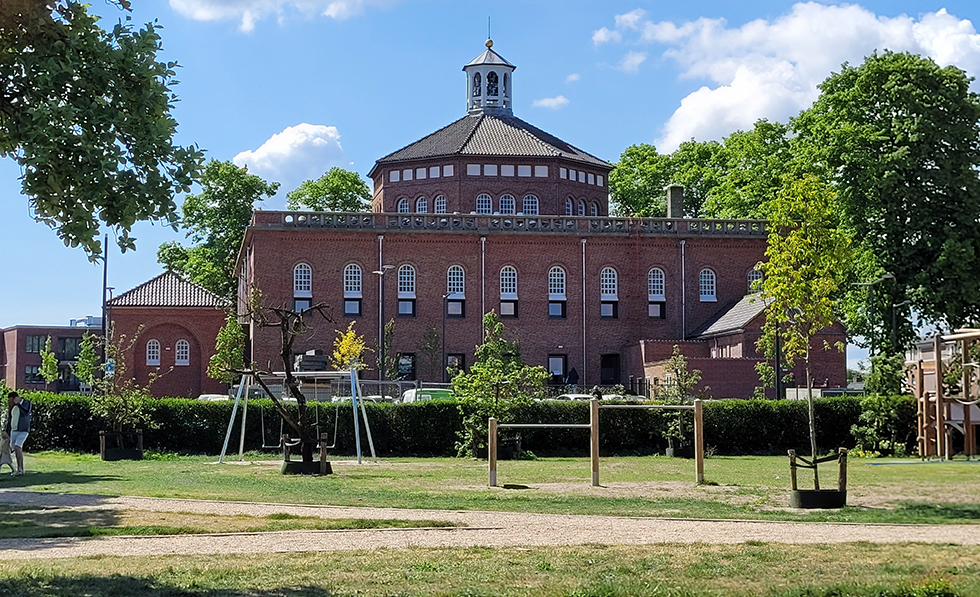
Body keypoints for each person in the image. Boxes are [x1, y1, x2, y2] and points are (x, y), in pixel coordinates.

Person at [8, 392, 31, 476]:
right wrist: (6, 431)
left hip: (23, 430)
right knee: (9, 449)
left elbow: (26, 412)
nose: (10, 403)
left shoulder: (26, 403)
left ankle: (20, 469)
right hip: (13, 430)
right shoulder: (13, 406)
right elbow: (10, 419)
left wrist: (19, 404)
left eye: (11, 400)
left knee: (18, 447)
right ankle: (14, 468)